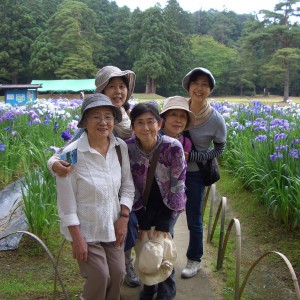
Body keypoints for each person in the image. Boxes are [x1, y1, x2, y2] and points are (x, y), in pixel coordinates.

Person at [47, 65, 140, 288]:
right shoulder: (81, 141)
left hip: (123, 191)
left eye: (122, 86)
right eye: (112, 87)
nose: (118, 91)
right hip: (93, 209)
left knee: (118, 264)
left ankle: (125, 264)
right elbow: (63, 155)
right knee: (101, 277)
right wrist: (53, 164)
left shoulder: (130, 118)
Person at [126, 103, 187, 300]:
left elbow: (179, 183)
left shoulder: (173, 147)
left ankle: (167, 290)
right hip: (139, 205)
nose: (146, 128)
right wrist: (137, 211)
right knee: (144, 246)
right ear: (133, 126)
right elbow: (126, 181)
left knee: (162, 245)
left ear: (159, 124)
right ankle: (149, 285)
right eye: (140, 123)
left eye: (150, 122)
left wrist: (167, 217)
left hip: (168, 205)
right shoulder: (127, 148)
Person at [180, 67, 227, 278]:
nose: (199, 88)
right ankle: (161, 254)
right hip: (170, 172)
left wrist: (193, 157)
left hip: (195, 174)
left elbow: (220, 148)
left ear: (210, 90)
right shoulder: (177, 108)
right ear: (188, 86)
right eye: (195, 83)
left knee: (194, 218)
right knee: (165, 215)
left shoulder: (215, 119)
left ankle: (194, 259)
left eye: (205, 85)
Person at [159, 95, 195, 161]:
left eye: (183, 116)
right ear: (164, 118)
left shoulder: (186, 143)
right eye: (173, 114)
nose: (178, 120)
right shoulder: (154, 138)